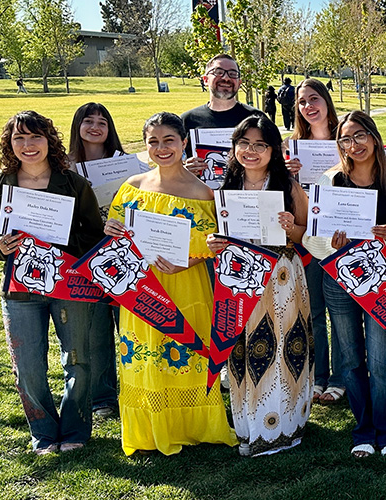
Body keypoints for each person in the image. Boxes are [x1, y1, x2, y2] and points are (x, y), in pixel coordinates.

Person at [105, 112, 237, 455]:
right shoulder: (132, 187)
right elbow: (117, 235)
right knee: (145, 356)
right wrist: (112, 231)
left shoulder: (204, 193)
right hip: (142, 288)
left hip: (186, 285)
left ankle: (193, 425)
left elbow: (215, 245)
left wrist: (188, 261)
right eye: (153, 142)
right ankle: (149, 429)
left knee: (185, 353)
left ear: (183, 143)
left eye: (168, 141)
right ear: (146, 145)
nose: (161, 148)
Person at [0, 111, 103, 455]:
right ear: (10, 144)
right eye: (19, 138)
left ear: (49, 141)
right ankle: (45, 433)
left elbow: (93, 236)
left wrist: (62, 243)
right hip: (20, 291)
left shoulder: (74, 184)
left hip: (68, 287)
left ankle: (76, 429)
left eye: (35, 137)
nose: (28, 145)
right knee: (28, 367)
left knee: (77, 359)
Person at [308, 111, 386, 458]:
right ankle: (362, 430)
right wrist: (332, 244)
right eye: (345, 139)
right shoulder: (330, 181)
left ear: (374, 138)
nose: (353, 144)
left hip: (381, 284)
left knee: (380, 361)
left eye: (359, 136)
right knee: (351, 361)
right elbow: (314, 236)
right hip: (339, 282)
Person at [207, 116, 312, 456]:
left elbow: (307, 238)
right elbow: (220, 235)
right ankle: (248, 425)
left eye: (260, 145)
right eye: (244, 143)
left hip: (281, 279)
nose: (250, 151)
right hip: (240, 277)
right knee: (242, 348)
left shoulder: (288, 185)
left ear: (273, 150)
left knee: (280, 348)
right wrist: (215, 243)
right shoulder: (226, 187)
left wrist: (292, 226)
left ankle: (281, 427)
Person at [67, 102, 128, 418]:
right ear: (77, 126)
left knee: (129, 326)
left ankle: (133, 388)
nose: (95, 126)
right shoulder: (63, 169)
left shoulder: (124, 164)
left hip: (123, 256)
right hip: (84, 257)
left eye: (102, 121)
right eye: (88, 121)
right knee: (94, 331)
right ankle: (103, 398)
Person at [285, 78, 344, 405]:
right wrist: (289, 174)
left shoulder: (345, 138)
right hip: (309, 238)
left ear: (326, 101)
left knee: (343, 313)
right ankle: (319, 376)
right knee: (314, 312)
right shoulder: (293, 146)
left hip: (341, 235)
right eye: (302, 102)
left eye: (314, 98)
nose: (309, 106)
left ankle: (340, 377)